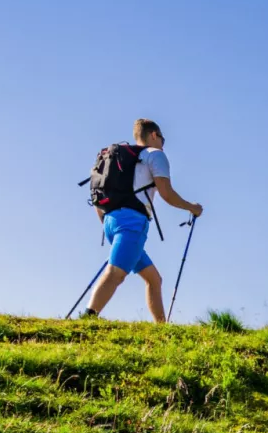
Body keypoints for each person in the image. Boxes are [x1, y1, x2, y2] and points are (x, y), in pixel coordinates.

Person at [84, 119, 203, 322]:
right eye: (162, 139)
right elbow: (166, 193)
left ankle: (161, 328)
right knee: (116, 274)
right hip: (132, 223)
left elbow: (99, 196)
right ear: (154, 135)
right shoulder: (155, 155)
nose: (163, 144)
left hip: (110, 221)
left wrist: (109, 224)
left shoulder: (118, 159)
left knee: (154, 279)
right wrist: (192, 208)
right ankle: (87, 320)